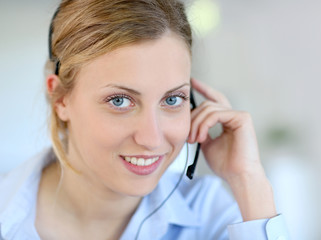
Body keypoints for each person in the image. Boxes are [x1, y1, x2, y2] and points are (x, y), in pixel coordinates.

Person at [0, 0, 290, 239]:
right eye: (119, 101)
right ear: (61, 99)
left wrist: (248, 179)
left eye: (172, 99)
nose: (152, 138)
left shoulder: (208, 212)